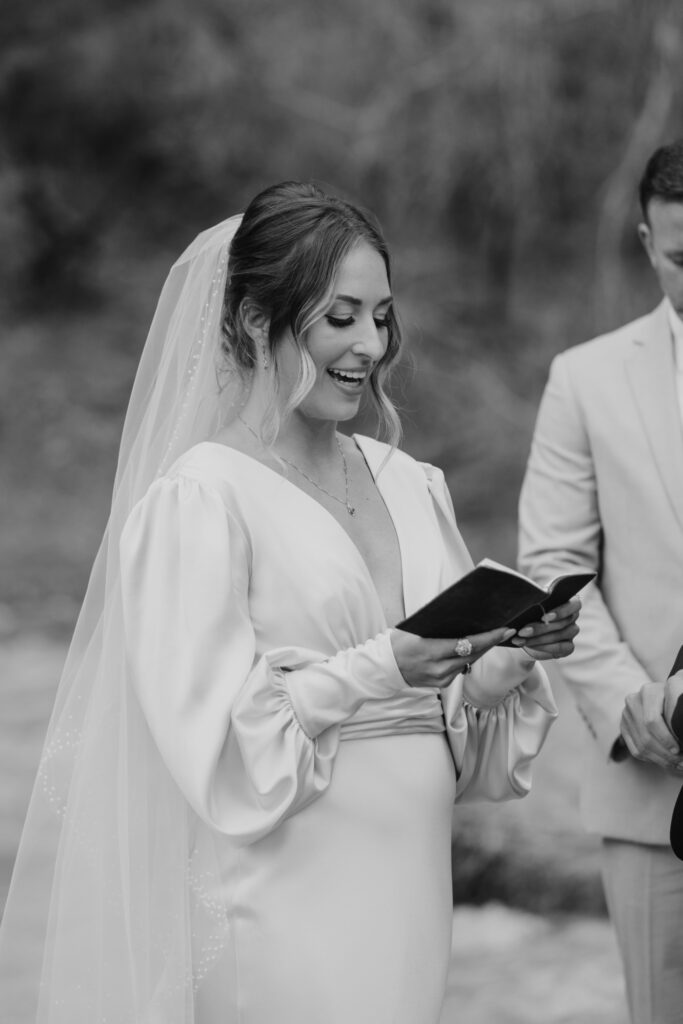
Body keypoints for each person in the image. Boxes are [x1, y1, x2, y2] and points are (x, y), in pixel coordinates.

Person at [0, 181, 579, 1024]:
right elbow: (218, 748)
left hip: (410, 892)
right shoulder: (200, 500)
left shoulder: (411, 485)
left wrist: (490, 676)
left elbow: (453, 740)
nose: (369, 345)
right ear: (253, 322)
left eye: (380, 317)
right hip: (281, 897)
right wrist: (381, 667)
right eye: (339, 317)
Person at [518, 139, 683, 1024]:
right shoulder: (583, 381)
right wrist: (635, 706)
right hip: (656, 786)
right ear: (646, 241)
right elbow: (552, 565)